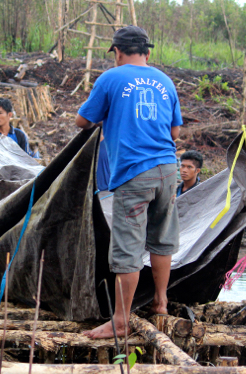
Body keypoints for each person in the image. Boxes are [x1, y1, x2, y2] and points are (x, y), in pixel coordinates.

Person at [76, 26, 183, 339]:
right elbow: (175, 133)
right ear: (147, 53)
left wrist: (114, 116)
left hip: (135, 173)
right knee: (162, 238)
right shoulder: (165, 81)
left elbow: (82, 121)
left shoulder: (111, 78)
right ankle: (161, 303)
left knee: (127, 247)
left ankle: (120, 320)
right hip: (168, 169)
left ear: (117, 52)